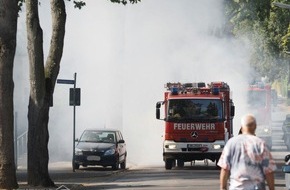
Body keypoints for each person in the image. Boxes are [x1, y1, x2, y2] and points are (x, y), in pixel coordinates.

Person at [218, 114, 276, 190]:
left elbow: (225, 168)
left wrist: (223, 188)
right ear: (255, 127)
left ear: (241, 128)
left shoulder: (231, 143)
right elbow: (269, 171)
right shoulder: (261, 144)